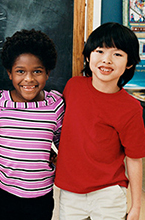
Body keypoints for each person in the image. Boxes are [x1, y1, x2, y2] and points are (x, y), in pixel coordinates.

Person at [55, 22, 145, 220]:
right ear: (88, 56)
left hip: (109, 192)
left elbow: (135, 158)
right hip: (71, 192)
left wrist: (136, 206)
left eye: (117, 54)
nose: (107, 60)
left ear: (130, 63)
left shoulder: (130, 108)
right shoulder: (73, 87)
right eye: (100, 51)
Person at [0, 29, 64, 220]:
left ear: (48, 73)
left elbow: (63, 142)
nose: (29, 79)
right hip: (5, 193)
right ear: (9, 73)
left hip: (41, 195)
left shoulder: (55, 104)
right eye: (20, 71)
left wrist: (53, 155)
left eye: (37, 71)